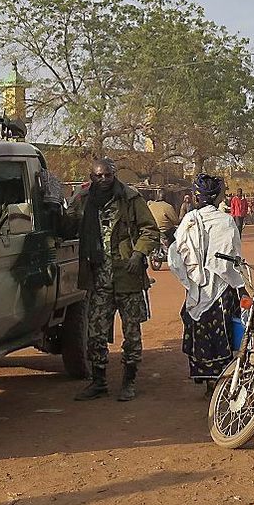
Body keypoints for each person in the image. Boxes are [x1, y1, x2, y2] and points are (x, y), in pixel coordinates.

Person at [67, 158, 160, 402]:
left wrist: (138, 253)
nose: (104, 180)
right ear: (92, 176)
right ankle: (98, 382)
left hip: (127, 277)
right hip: (98, 278)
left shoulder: (130, 198)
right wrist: (70, 201)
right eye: (99, 176)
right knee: (95, 334)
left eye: (108, 175)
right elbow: (68, 225)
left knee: (132, 334)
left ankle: (129, 382)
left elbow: (150, 229)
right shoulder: (85, 200)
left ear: (114, 175)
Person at [168, 173, 245, 397]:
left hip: (196, 289)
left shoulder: (189, 221)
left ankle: (208, 381)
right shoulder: (226, 221)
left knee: (200, 332)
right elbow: (233, 259)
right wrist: (240, 287)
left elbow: (176, 256)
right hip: (221, 288)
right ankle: (220, 381)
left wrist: (191, 279)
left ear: (195, 196)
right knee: (223, 332)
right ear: (218, 196)